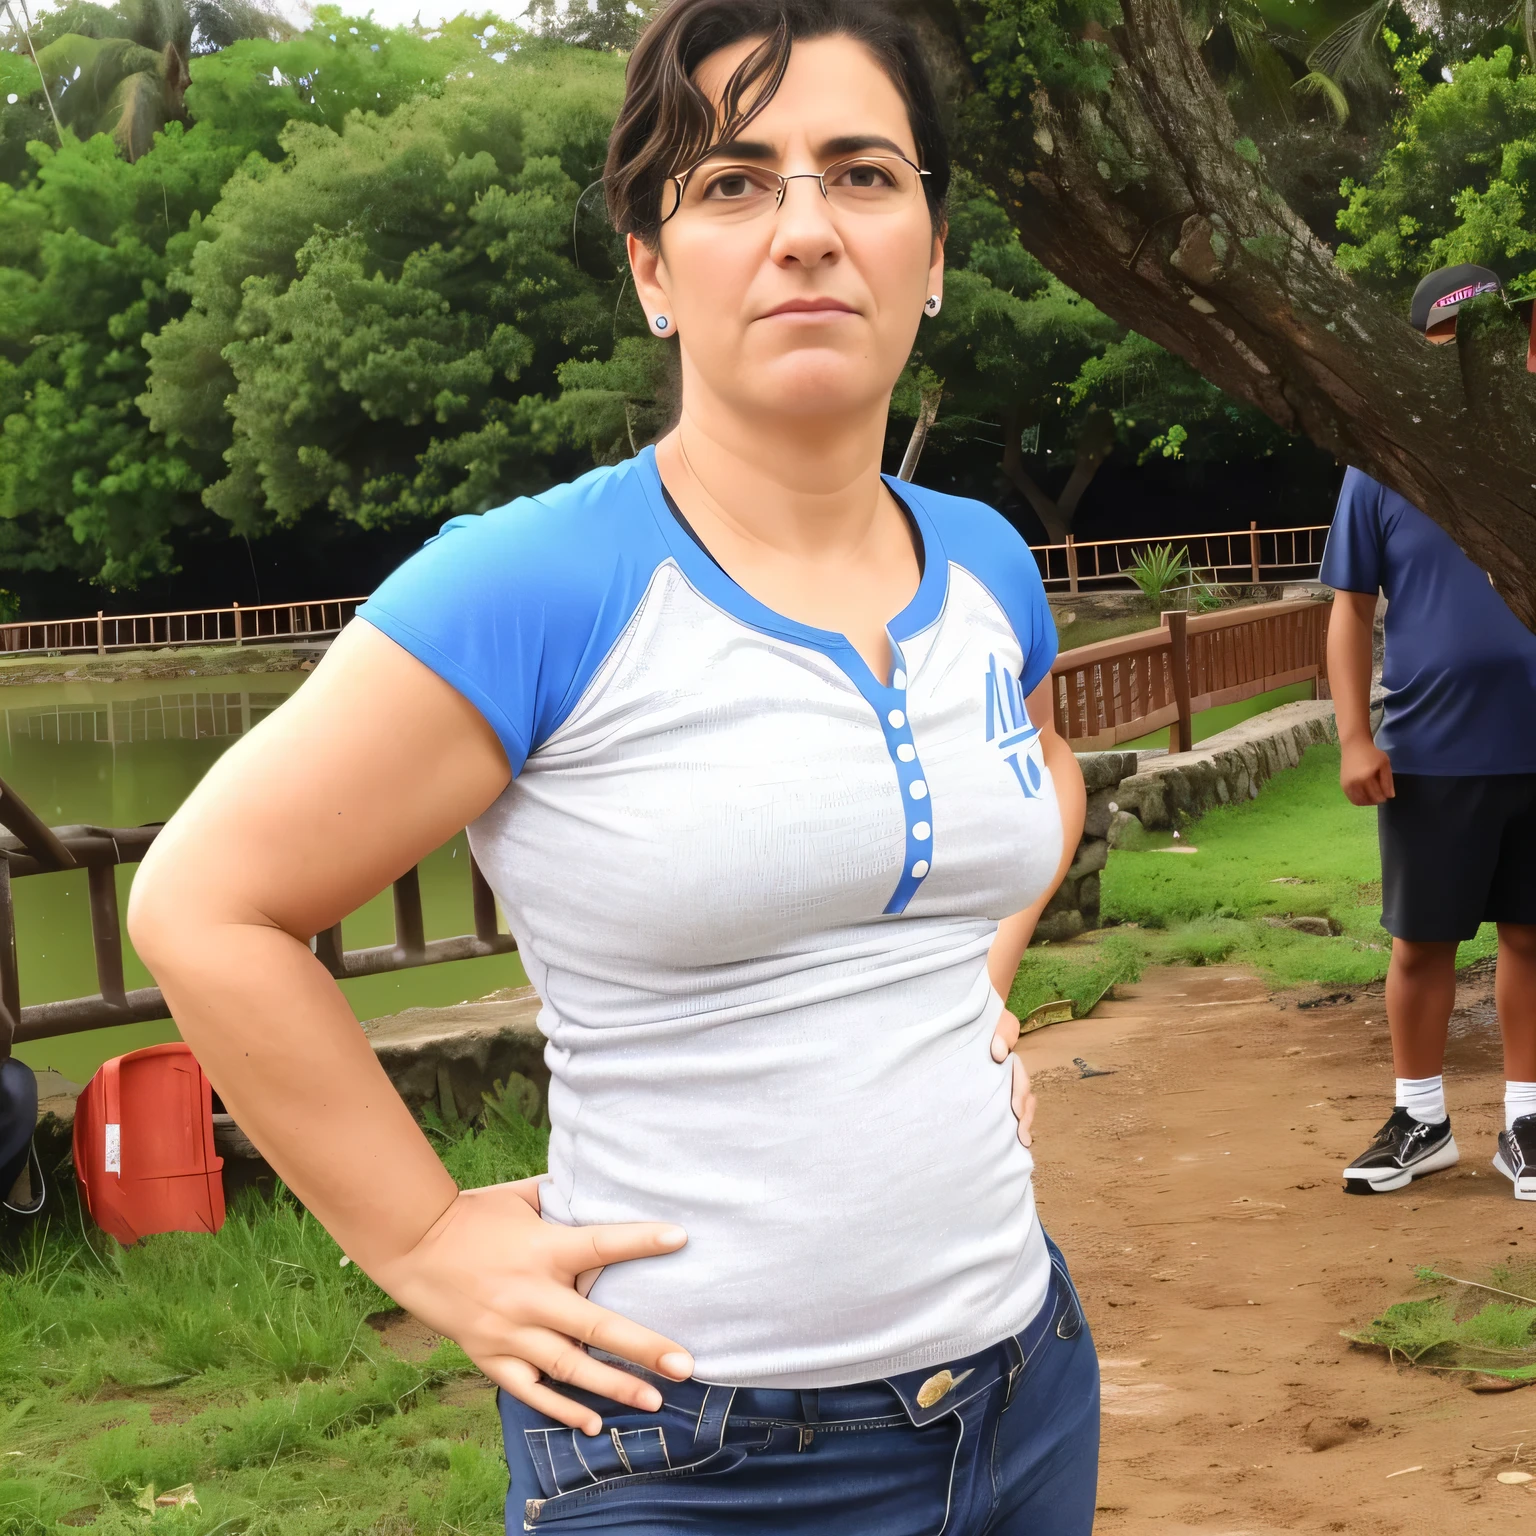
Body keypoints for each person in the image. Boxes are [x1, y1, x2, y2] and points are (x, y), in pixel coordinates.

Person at [126, 2, 1099, 1531]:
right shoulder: (532, 586)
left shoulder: (983, 563)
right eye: (731, 184)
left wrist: (968, 981)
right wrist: (432, 1238)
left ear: (932, 248)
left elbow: (1038, 770)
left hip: (1025, 1387)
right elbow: (203, 905)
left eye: (861, 174)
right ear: (652, 268)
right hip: (686, 1441)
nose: (805, 231)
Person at [1324, 263, 1536, 1202]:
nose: (1463, 367)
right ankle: (1422, 1119)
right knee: (1421, 944)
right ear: (1416, 357)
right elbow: (1349, 610)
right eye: (1444, 349)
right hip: (1428, 753)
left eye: (1482, 345)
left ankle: (1526, 1123)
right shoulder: (1381, 466)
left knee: (1532, 938)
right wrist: (1353, 737)